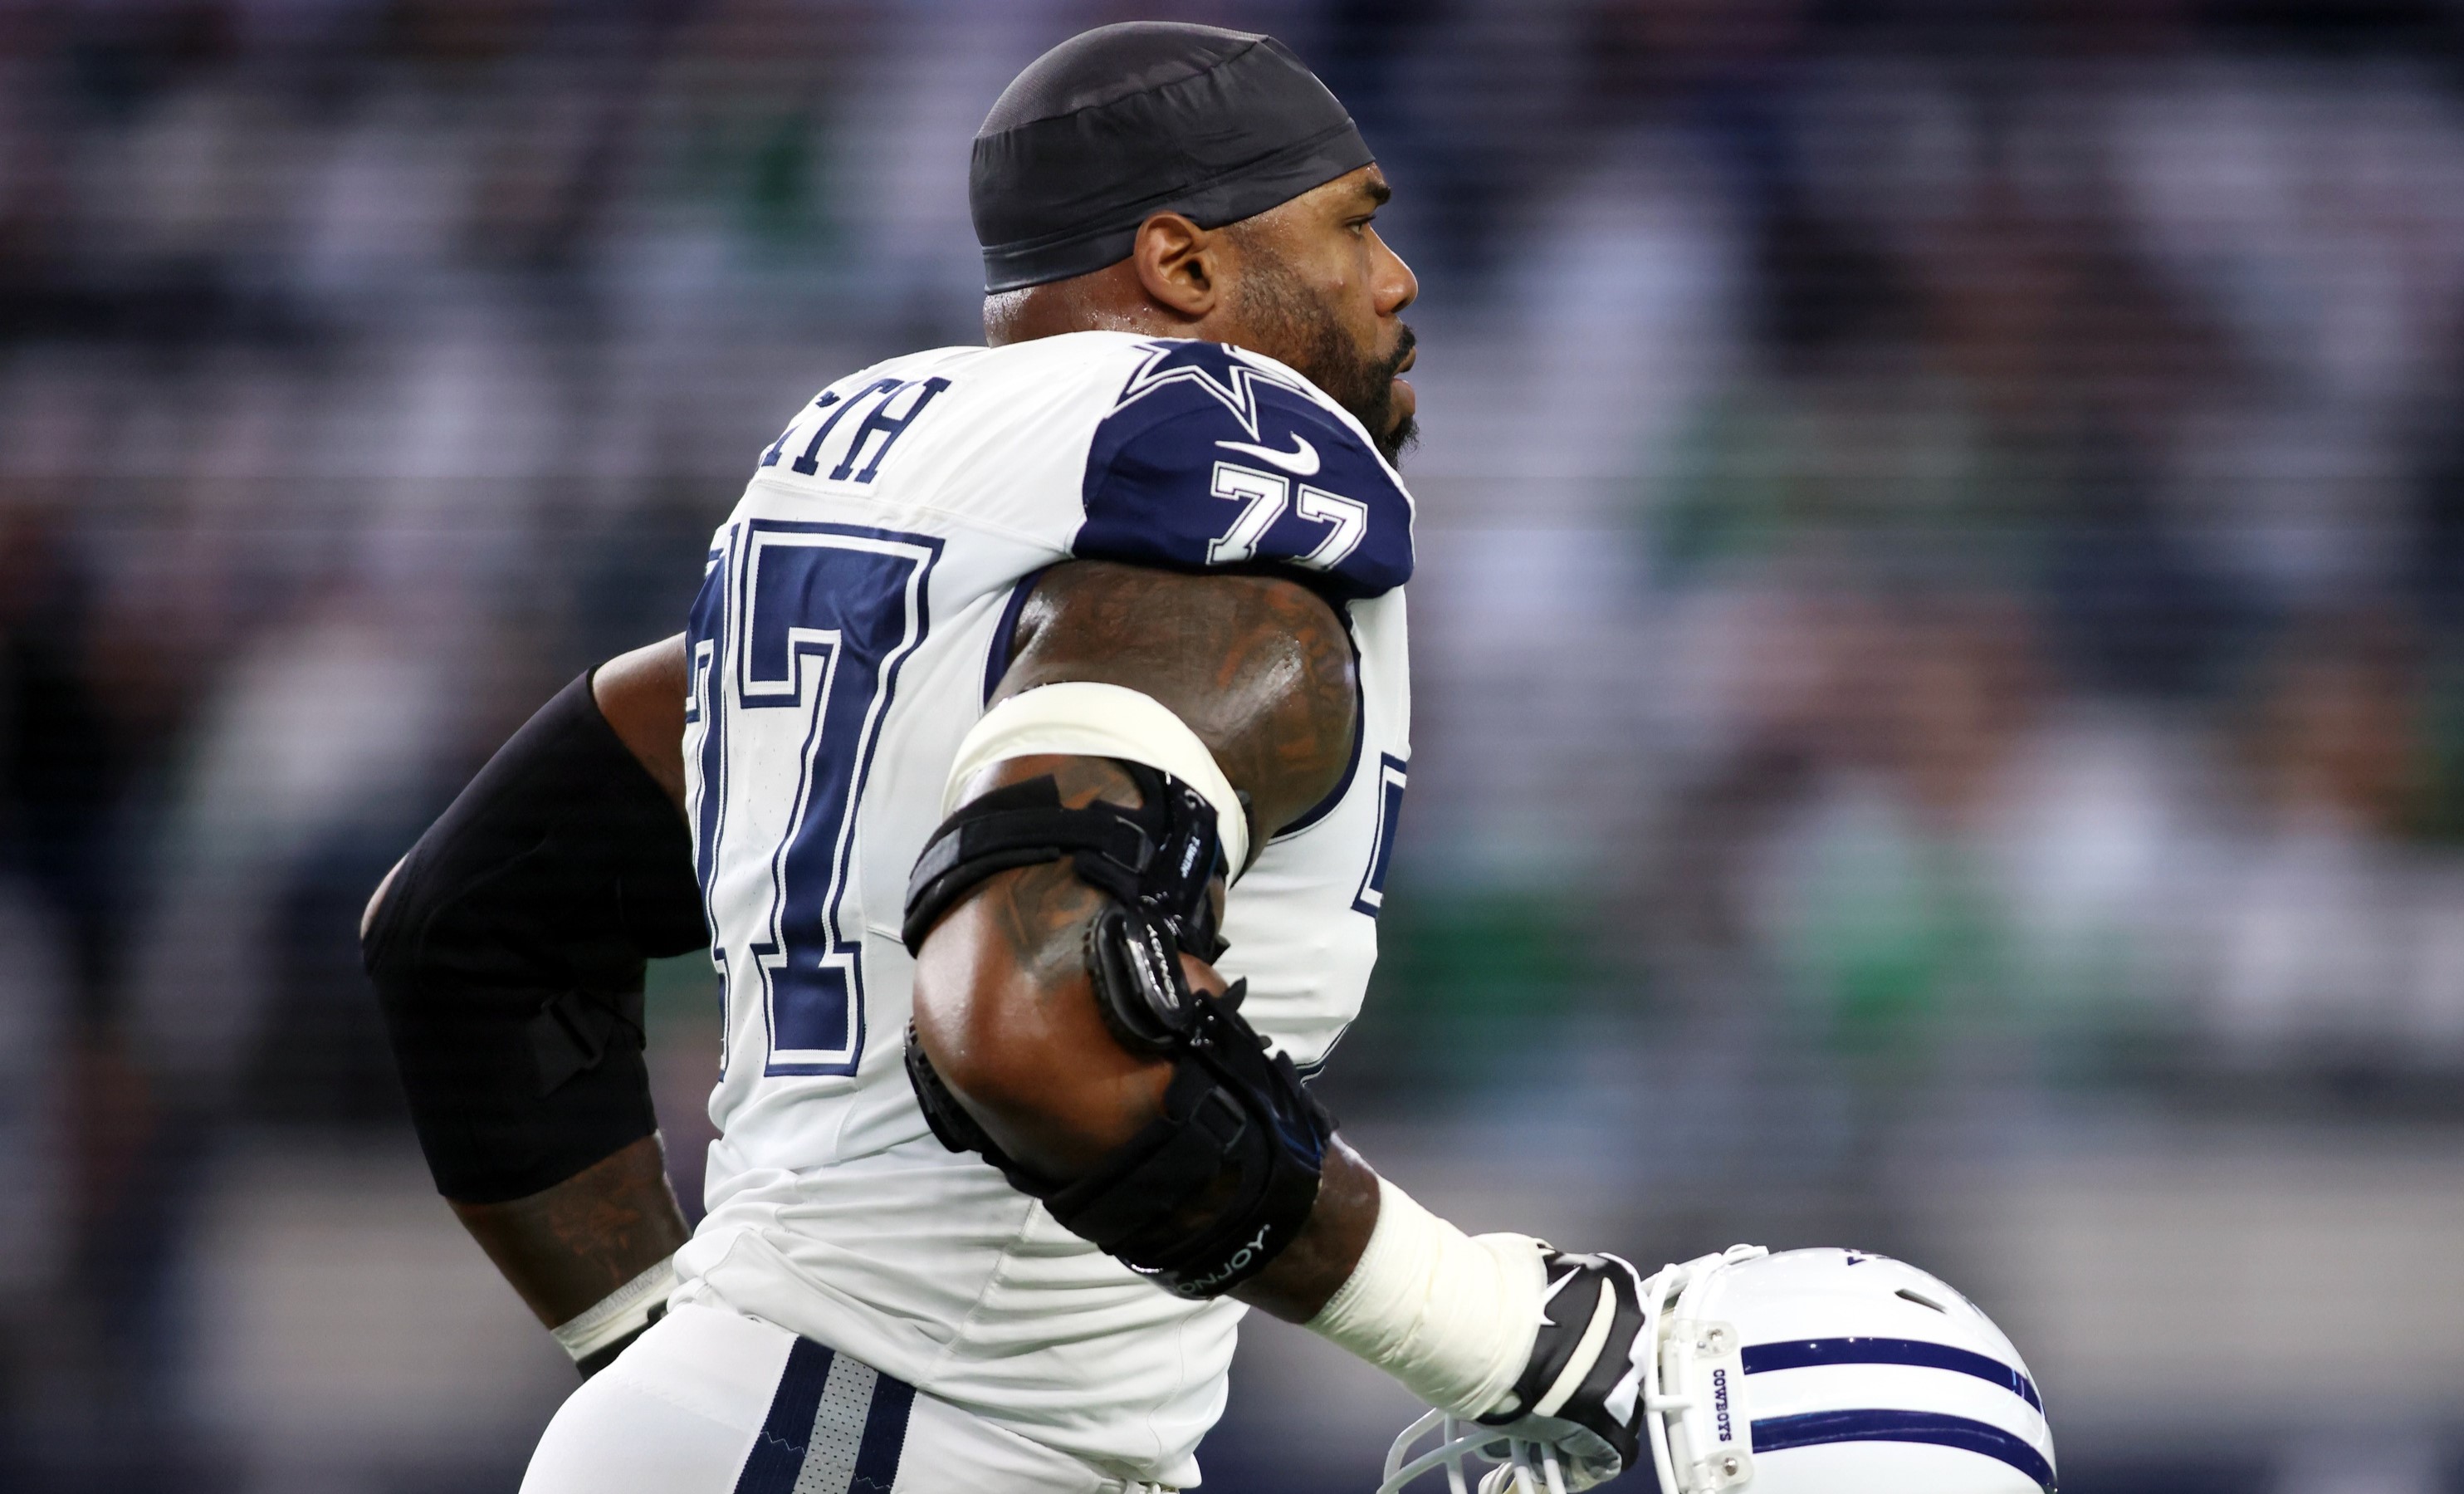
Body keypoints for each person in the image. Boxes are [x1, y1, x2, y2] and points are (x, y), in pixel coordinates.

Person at [364, 22, 1664, 1493]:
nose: (1397, 276)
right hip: (897, 1435)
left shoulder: (899, 486)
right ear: (1184, 266)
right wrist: (1506, 1337)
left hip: (819, 1426)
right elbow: (1030, 1019)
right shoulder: (1214, 486)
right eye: (1356, 223)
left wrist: (668, 1363)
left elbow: (469, 925)